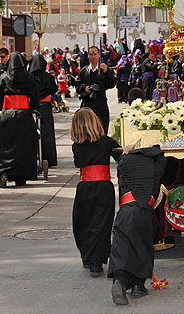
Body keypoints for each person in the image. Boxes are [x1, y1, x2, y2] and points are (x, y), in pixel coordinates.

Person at [108, 145, 166, 305]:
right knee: (142, 247)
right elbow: (162, 160)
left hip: (125, 213)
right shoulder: (156, 169)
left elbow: (121, 163)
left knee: (122, 247)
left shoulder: (124, 166)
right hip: (145, 213)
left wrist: (126, 153)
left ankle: (119, 282)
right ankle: (138, 286)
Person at [71, 108, 122, 276]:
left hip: (85, 187)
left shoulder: (76, 146)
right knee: (101, 223)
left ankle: (88, 255)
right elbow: (121, 158)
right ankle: (96, 261)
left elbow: (79, 163)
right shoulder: (107, 142)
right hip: (103, 187)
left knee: (83, 223)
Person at [0, 52, 40, 188]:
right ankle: (21, 176)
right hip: (24, 114)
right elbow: (35, 97)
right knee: (24, 146)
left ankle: (4, 172)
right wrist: (32, 108)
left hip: (7, 114)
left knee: (4, 145)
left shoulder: (4, 77)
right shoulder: (29, 78)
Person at [76, 46, 116, 133]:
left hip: (100, 104)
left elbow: (111, 84)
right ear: (88, 56)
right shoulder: (84, 70)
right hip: (87, 104)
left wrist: (107, 72)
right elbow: (77, 87)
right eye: (91, 54)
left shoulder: (103, 69)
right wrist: (84, 88)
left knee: (102, 130)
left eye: (95, 54)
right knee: (86, 132)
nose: (93, 56)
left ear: (98, 55)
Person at [29, 54, 58, 168]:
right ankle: (49, 157)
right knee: (47, 132)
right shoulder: (48, 77)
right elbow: (54, 89)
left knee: (32, 131)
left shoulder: (29, 77)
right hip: (45, 105)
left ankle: (33, 156)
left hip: (33, 106)